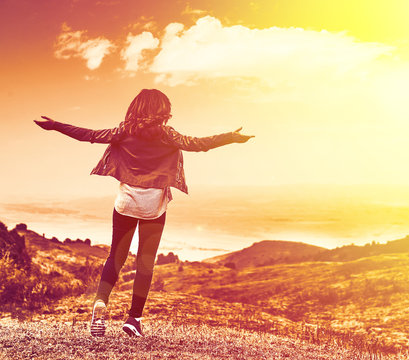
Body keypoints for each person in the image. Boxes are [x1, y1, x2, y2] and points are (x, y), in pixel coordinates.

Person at [34, 89, 254, 337]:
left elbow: (89, 135)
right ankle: (133, 319)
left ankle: (101, 302)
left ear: (136, 107)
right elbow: (199, 144)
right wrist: (230, 137)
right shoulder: (167, 135)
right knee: (145, 263)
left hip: (125, 204)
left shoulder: (123, 131)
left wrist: (55, 126)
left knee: (115, 257)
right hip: (153, 207)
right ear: (162, 110)